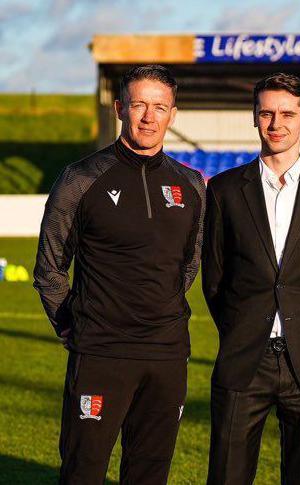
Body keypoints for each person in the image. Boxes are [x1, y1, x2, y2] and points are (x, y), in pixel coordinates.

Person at [33, 65, 205, 484]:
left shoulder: (191, 184)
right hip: (101, 353)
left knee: (150, 473)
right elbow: (50, 267)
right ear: (120, 108)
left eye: (160, 107)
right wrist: (74, 326)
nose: (149, 116)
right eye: (139, 104)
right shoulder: (81, 179)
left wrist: (156, 309)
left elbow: (189, 263)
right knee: (83, 471)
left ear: (173, 114)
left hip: (166, 354)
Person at [202, 73, 300, 485]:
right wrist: (241, 328)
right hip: (243, 359)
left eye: (288, 113)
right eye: (266, 113)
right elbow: (214, 278)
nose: (276, 123)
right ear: (254, 118)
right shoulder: (224, 189)